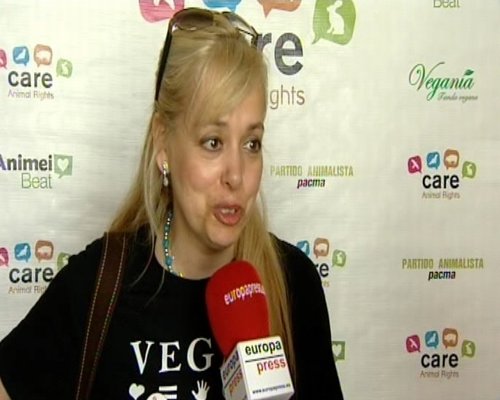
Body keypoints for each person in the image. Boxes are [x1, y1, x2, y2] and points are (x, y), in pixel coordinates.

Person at [0, 7, 344, 399]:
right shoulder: (97, 286)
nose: (236, 175)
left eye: (252, 144)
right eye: (213, 142)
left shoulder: (293, 283)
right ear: (163, 143)